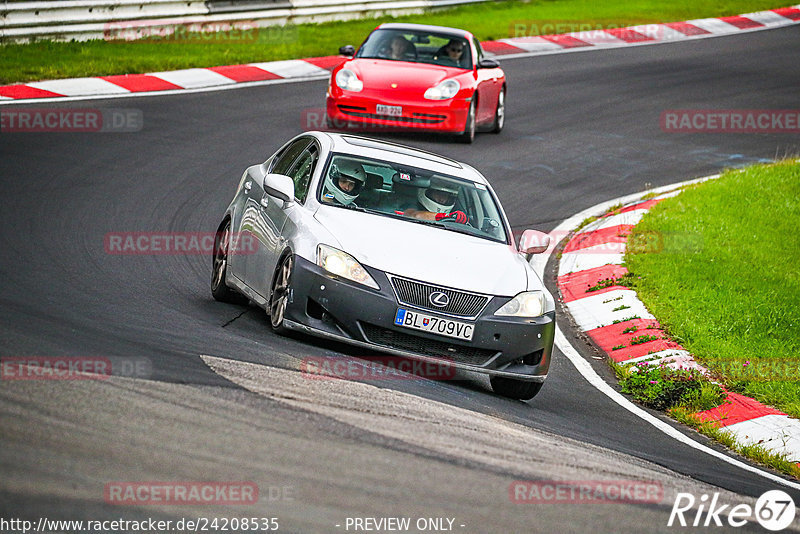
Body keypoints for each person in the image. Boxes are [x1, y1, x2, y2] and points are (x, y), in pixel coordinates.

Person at [403, 179, 469, 224]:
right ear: (428, 192)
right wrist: (446, 216)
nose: (442, 199)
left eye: (446, 195)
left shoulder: (453, 215)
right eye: (439, 194)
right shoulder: (414, 205)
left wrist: (462, 218)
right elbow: (414, 215)